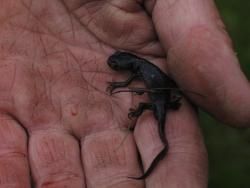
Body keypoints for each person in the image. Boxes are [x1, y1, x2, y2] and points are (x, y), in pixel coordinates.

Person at [0, 0, 249, 187]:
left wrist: (122, 89)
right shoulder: (138, 63)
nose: (116, 68)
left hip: (157, 97)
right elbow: (132, 76)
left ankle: (151, 119)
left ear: (127, 63)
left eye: (117, 66)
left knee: (153, 109)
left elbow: (130, 80)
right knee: (156, 105)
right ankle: (159, 112)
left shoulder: (137, 68)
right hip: (162, 96)